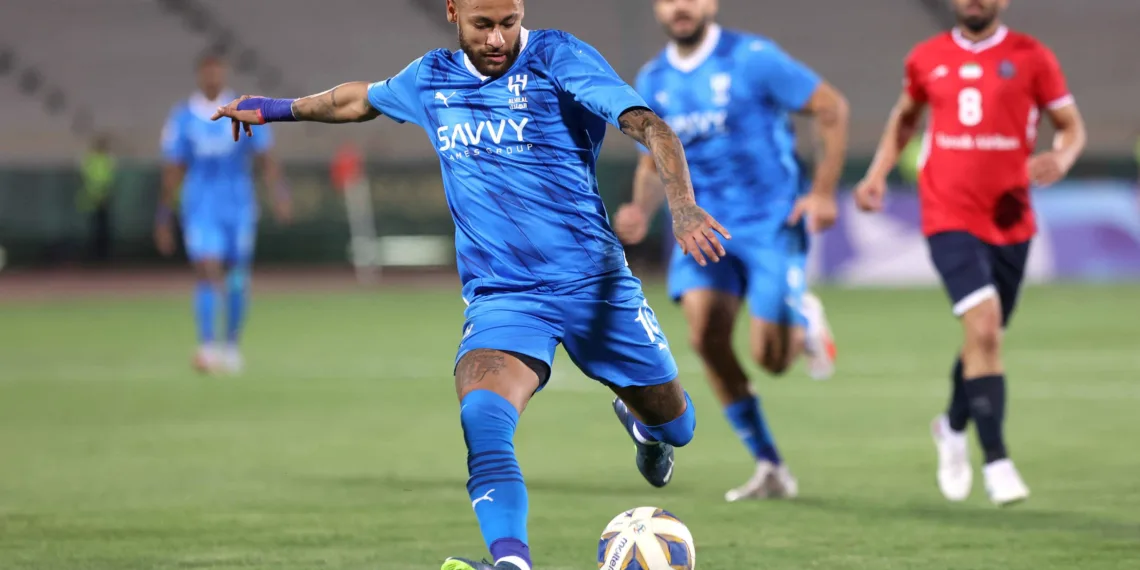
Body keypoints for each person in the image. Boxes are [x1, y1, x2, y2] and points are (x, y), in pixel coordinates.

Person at [211, 1, 728, 568]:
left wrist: (682, 206)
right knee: (482, 419)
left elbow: (650, 125)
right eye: (483, 25)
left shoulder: (559, 57)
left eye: (509, 22)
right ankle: (510, 561)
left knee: (678, 426)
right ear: (453, 11)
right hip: (505, 297)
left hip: (595, 286)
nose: (498, 38)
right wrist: (275, 109)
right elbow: (356, 100)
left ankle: (648, 430)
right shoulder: (430, 78)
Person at [613, 0, 848, 502]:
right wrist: (640, 209)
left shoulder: (753, 58)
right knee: (705, 338)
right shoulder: (653, 79)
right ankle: (770, 466)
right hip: (702, 229)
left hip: (770, 225)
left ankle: (804, 319)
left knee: (772, 359)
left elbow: (831, 107)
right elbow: (652, 162)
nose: (681, 7)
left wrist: (824, 192)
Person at [854, 0, 1086, 506]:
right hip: (948, 215)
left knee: (985, 338)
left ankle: (952, 425)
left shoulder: (1032, 56)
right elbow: (905, 118)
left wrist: (1062, 157)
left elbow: (1071, 125)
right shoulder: (926, 57)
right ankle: (997, 461)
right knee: (983, 327)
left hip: (1010, 219)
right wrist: (876, 174)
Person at [155, 50, 292, 375]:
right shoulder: (183, 117)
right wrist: (163, 215)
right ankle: (207, 346)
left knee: (236, 278)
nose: (213, 77)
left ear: (225, 73)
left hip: (238, 206)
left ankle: (231, 346)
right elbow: (174, 169)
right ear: (200, 75)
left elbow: (265, 157)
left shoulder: (244, 110)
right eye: (208, 71)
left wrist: (280, 194)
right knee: (206, 268)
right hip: (201, 207)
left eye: (217, 70)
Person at [77, 134, 118, 264]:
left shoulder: (106, 159)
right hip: (92, 199)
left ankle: (102, 255)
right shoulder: (92, 159)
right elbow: (87, 177)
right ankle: (93, 255)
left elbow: (109, 178)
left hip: (103, 199)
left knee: (103, 229)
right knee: (93, 229)